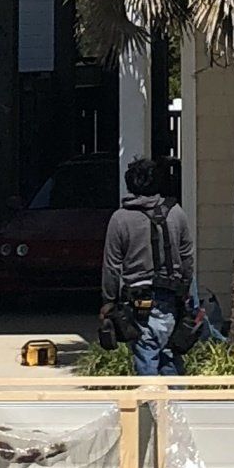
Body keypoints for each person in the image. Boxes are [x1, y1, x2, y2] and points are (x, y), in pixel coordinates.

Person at [100, 157, 194, 376]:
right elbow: (187, 257)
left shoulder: (120, 219)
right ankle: (176, 406)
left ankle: (151, 406)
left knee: (145, 353)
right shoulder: (176, 213)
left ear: (130, 184)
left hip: (137, 299)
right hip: (171, 295)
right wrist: (186, 291)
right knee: (170, 353)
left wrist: (108, 301)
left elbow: (111, 265)